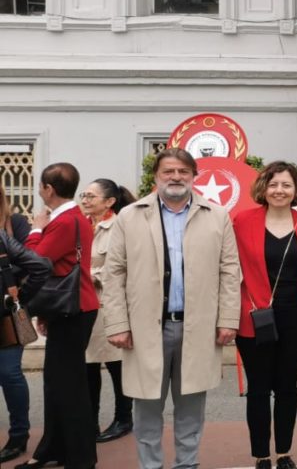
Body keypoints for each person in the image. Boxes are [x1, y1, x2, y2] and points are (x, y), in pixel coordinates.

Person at [100, 148, 241, 469]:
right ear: (156, 177)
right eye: (168, 172)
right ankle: (150, 466)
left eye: (183, 172)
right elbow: (114, 272)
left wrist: (228, 319)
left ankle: (187, 464)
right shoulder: (130, 216)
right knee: (147, 407)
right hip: (145, 329)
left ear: (194, 177)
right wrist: (117, 324)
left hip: (198, 328)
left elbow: (230, 271)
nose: (175, 177)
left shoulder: (216, 216)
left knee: (191, 407)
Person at [233, 162, 297, 469]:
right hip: (254, 316)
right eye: (273, 184)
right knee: (258, 389)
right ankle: (261, 456)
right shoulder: (242, 221)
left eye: (286, 185)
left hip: (296, 317)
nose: (279, 190)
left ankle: (283, 452)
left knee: (286, 387)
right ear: (263, 188)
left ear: (296, 190)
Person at [22, 162, 99, 469]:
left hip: (73, 309)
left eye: (41, 186)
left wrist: (36, 228)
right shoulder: (72, 218)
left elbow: (36, 261)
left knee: (68, 386)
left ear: (49, 189)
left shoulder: (64, 221)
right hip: (69, 308)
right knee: (57, 382)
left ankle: (79, 458)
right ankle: (54, 448)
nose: (40, 191)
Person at [80, 178, 136, 444]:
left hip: (108, 305)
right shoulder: (83, 225)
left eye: (91, 196)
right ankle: (89, 421)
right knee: (88, 366)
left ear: (110, 201)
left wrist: (89, 275)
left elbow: (124, 264)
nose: (85, 200)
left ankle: (123, 419)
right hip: (84, 306)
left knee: (116, 366)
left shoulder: (118, 226)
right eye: (84, 195)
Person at [0, 185, 46, 463]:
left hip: (7, 312)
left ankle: (19, 436)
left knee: (9, 373)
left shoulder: (13, 224)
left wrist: (18, 298)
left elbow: (34, 264)